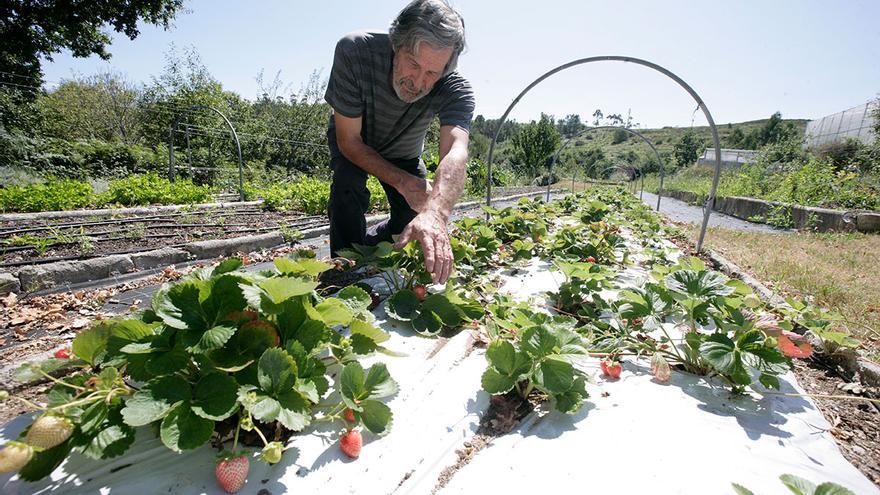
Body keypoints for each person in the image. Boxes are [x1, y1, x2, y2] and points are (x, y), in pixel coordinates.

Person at [324, 0, 474, 285]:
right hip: (355, 140)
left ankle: (371, 243)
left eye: (432, 73)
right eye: (413, 63)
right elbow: (349, 141)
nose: (418, 81)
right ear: (396, 44)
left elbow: (456, 150)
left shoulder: (456, 90)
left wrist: (435, 212)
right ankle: (343, 273)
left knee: (412, 217)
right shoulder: (355, 52)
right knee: (347, 187)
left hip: (404, 152)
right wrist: (404, 183)